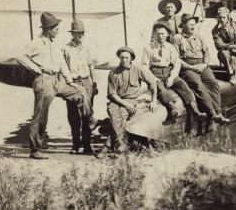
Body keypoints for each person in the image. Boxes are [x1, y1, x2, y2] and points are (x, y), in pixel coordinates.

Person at [18, 12, 93, 160]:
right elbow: (21, 57)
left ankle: (90, 119)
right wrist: (37, 69)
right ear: (48, 29)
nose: (58, 31)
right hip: (44, 80)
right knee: (41, 115)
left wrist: (70, 81)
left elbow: (62, 64)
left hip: (57, 82)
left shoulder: (55, 44)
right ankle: (35, 150)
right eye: (56, 29)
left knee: (81, 92)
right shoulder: (36, 43)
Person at [105, 46, 178, 153]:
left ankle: (113, 145)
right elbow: (112, 93)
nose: (124, 60)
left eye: (126, 58)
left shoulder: (138, 70)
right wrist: (124, 104)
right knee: (112, 110)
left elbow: (153, 83)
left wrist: (153, 100)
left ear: (131, 58)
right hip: (117, 100)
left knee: (121, 114)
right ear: (119, 58)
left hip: (132, 99)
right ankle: (119, 143)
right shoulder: (113, 73)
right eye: (122, 57)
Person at [142, 22, 206, 124]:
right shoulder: (148, 48)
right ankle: (172, 109)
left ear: (167, 34)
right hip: (155, 73)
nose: (161, 36)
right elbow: (144, 66)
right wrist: (152, 78)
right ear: (154, 34)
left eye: (163, 34)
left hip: (168, 71)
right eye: (158, 34)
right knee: (160, 89)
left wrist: (172, 77)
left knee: (183, 85)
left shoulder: (170, 47)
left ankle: (196, 112)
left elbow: (176, 63)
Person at [172, 14, 229, 123]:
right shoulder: (177, 38)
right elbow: (176, 59)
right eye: (190, 25)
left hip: (202, 65)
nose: (193, 27)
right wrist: (191, 67)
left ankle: (219, 112)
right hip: (187, 67)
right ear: (183, 25)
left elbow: (206, 53)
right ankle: (212, 113)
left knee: (213, 83)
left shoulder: (199, 37)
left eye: (194, 24)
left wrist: (204, 64)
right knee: (199, 86)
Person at [62, 19, 98, 155]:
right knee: (73, 115)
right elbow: (63, 67)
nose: (81, 35)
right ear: (73, 34)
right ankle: (75, 145)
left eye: (82, 32)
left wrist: (94, 83)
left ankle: (87, 146)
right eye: (78, 33)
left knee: (87, 114)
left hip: (86, 81)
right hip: (72, 83)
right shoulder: (65, 48)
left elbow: (91, 66)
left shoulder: (87, 48)